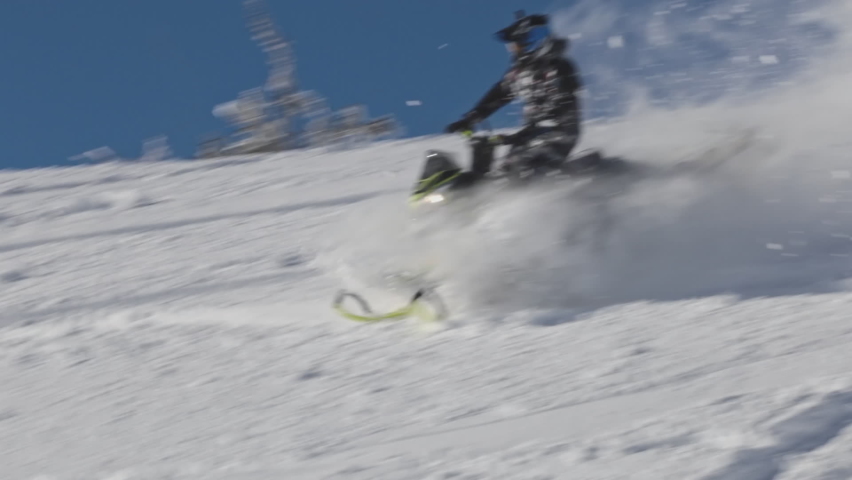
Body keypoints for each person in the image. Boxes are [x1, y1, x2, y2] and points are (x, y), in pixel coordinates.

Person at [445, 12, 584, 177]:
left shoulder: (559, 67)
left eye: (518, 45)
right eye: (513, 46)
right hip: (529, 137)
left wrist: (527, 132)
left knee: (521, 165)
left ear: (534, 42)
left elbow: (563, 102)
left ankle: (551, 188)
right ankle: (475, 188)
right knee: (500, 168)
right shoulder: (519, 73)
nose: (514, 50)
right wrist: (471, 118)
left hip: (558, 134)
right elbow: (498, 96)